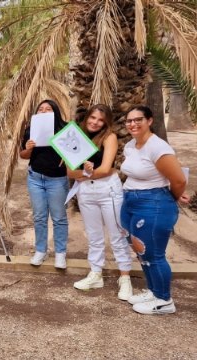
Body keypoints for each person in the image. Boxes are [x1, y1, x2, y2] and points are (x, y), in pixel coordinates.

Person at [120, 105, 190, 315]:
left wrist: (174, 196)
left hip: (153, 203)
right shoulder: (131, 146)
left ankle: (164, 300)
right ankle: (153, 291)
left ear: (149, 121)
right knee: (142, 252)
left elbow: (178, 179)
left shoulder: (158, 148)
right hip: (131, 201)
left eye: (138, 119)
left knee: (154, 254)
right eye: (129, 120)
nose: (133, 124)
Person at [66, 104, 132, 299]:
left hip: (108, 190)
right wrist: (87, 173)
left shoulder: (109, 137)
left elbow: (106, 170)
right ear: (87, 118)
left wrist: (86, 173)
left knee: (117, 234)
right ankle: (95, 274)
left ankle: (125, 277)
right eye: (92, 118)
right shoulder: (76, 137)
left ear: (106, 122)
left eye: (100, 120)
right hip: (86, 192)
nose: (95, 122)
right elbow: (70, 172)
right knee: (94, 235)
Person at [19, 100, 69, 269]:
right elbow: (24, 156)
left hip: (57, 180)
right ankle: (41, 250)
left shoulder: (65, 129)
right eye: (41, 109)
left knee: (59, 218)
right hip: (35, 178)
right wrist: (28, 147)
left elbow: (75, 151)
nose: (44, 111)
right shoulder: (30, 131)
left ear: (55, 112)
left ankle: (60, 253)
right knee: (39, 216)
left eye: (48, 109)